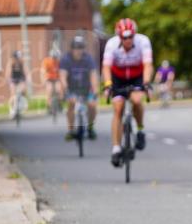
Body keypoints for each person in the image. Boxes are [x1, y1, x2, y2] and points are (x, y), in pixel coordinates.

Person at [102, 18, 153, 166]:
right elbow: (106, 67)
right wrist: (107, 84)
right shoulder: (111, 45)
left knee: (137, 100)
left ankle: (140, 129)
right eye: (124, 37)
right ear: (119, 36)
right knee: (118, 108)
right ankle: (116, 148)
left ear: (134, 35)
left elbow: (148, 65)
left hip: (137, 76)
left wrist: (146, 83)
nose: (128, 40)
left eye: (130, 36)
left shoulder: (143, 41)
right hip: (118, 77)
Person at [60, 35, 99, 139]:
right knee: (71, 103)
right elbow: (63, 77)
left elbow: (93, 75)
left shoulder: (88, 59)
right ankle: (71, 130)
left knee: (92, 105)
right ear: (72, 49)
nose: (78, 50)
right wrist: (66, 90)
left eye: (81, 48)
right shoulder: (66, 59)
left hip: (86, 88)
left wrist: (94, 90)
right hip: (72, 88)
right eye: (76, 48)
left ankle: (90, 127)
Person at [7, 50, 27, 119]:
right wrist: (9, 81)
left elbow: (25, 71)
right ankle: (11, 110)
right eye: (17, 58)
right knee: (13, 94)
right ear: (14, 58)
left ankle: (20, 105)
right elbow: (8, 73)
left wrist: (27, 79)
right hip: (13, 79)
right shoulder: (11, 63)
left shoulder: (22, 62)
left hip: (20, 79)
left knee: (23, 90)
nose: (18, 59)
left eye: (19, 58)